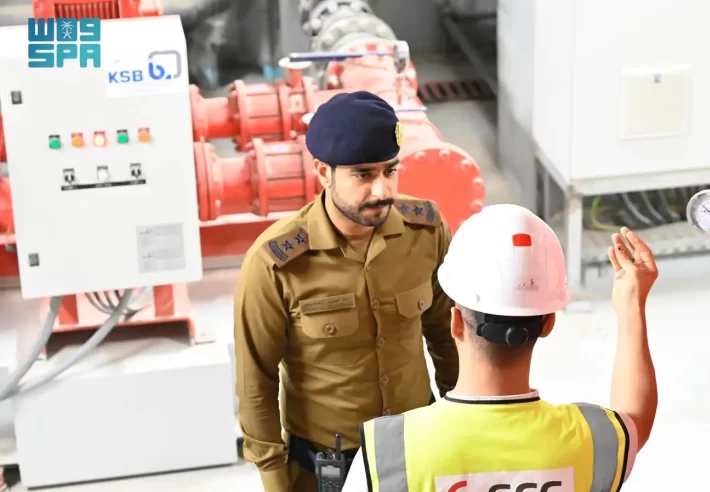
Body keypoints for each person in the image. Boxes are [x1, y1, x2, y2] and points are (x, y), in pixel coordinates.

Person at [234, 90, 460, 492]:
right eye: (363, 175)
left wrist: (465, 422)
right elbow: (256, 380)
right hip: (328, 470)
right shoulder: (276, 262)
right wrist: (274, 479)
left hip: (421, 451)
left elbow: (448, 333)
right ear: (324, 172)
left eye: (390, 171)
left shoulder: (425, 231)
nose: (382, 190)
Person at [342, 205, 659, 492]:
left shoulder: (387, 454)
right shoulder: (593, 440)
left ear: (455, 322)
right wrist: (631, 305)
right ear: (548, 324)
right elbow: (635, 420)